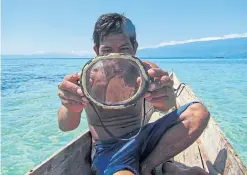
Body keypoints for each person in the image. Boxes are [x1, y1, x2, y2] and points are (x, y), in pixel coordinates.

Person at [57, 13, 210, 175]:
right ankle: (166, 168)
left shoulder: (145, 71)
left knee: (198, 113)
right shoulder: (87, 79)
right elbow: (66, 126)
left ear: (135, 47)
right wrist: (69, 106)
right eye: (107, 50)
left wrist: (165, 96)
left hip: (144, 137)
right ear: (96, 50)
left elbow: (167, 106)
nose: (117, 58)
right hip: (110, 150)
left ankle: (148, 166)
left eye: (124, 49)